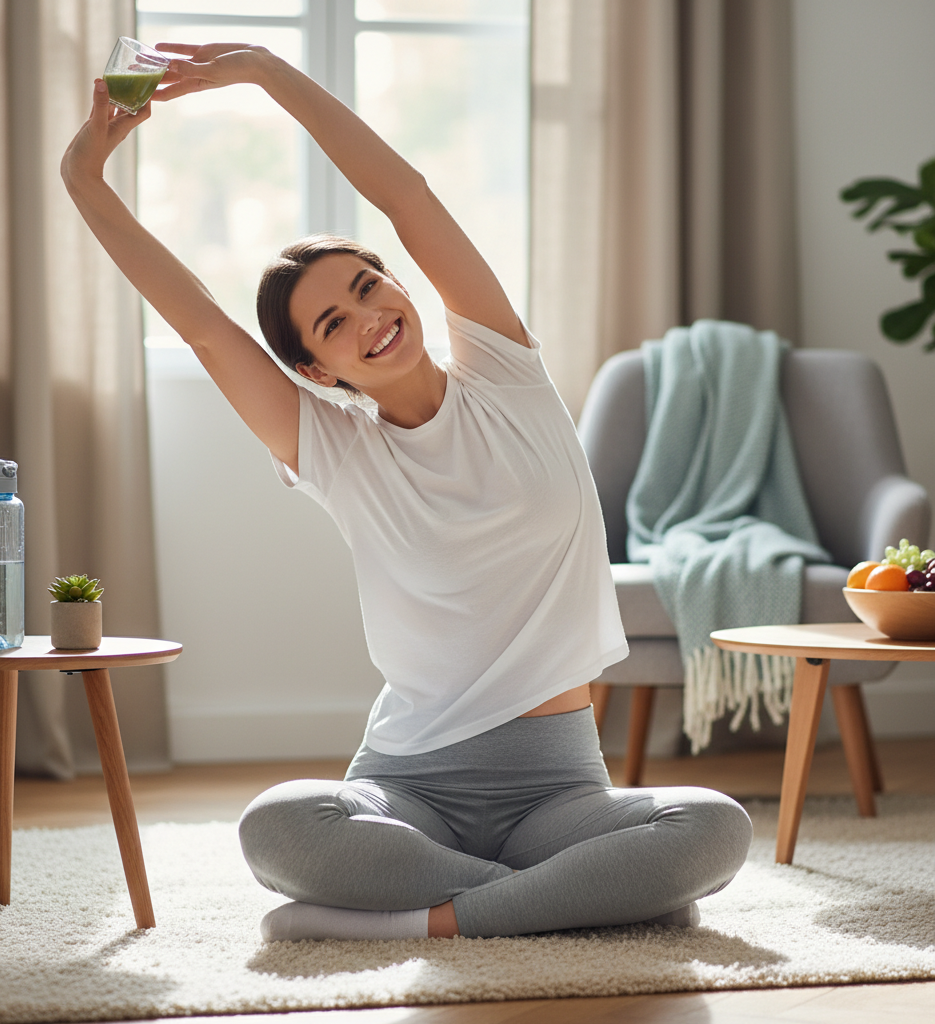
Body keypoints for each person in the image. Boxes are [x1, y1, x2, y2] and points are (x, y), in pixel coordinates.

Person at [61, 42, 753, 943]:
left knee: (713, 828)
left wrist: (269, 71)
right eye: (334, 323)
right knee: (278, 826)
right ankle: (570, 896)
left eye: (368, 286)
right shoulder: (333, 450)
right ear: (314, 366)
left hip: (558, 789)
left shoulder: (507, 375)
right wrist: (84, 179)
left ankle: (413, 920)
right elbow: (198, 321)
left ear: (397, 281)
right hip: (408, 786)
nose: (371, 318)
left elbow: (408, 195)